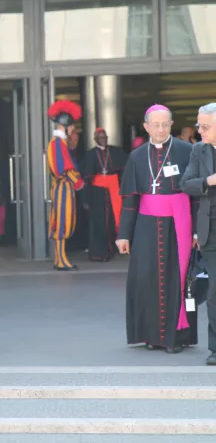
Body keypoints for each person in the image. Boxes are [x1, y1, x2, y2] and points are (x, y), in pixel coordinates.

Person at [117, 104, 196, 354]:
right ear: (146, 126)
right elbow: (129, 199)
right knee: (146, 278)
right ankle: (152, 335)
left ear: (171, 125)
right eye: (156, 124)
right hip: (146, 225)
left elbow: (196, 196)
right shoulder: (137, 156)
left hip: (179, 223)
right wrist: (123, 235)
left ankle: (176, 338)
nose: (160, 129)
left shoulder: (187, 151)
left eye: (165, 124)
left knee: (176, 278)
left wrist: (196, 231)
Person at [180, 102, 216, 365]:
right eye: (199, 125)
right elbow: (186, 184)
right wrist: (209, 181)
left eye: (205, 126)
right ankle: (215, 349)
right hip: (210, 232)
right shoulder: (198, 151)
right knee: (215, 293)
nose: (200, 131)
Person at [46, 100, 85, 270]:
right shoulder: (57, 143)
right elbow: (62, 168)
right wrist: (78, 182)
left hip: (64, 186)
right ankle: (60, 260)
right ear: (65, 125)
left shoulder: (59, 143)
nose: (73, 130)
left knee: (64, 221)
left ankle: (61, 258)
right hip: (63, 186)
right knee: (61, 222)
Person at [81, 128, 127, 261]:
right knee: (99, 222)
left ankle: (113, 248)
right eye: (100, 138)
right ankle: (99, 252)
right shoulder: (90, 154)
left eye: (105, 137)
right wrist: (86, 198)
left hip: (114, 191)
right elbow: (87, 178)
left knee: (114, 220)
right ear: (95, 139)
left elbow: (124, 171)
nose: (103, 140)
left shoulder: (115, 151)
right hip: (98, 193)